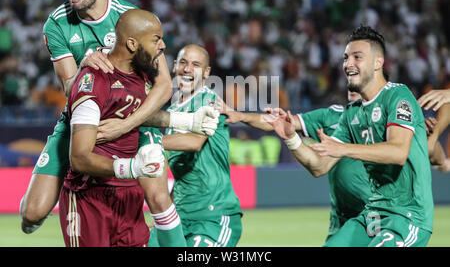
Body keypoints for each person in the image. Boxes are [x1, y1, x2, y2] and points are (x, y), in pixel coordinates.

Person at [20, 0, 179, 244]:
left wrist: (124, 125)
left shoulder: (130, 19)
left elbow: (165, 86)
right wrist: (84, 65)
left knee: (158, 198)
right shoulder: (56, 23)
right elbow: (69, 89)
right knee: (32, 214)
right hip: (82, 117)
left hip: (132, 116)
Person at [267, 26, 433, 247]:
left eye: (357, 57)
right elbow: (319, 166)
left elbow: (398, 152)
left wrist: (344, 149)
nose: (348, 64)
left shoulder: (398, 96)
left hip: (407, 217)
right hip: (372, 216)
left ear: (378, 63)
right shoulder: (352, 113)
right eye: (346, 58)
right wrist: (291, 138)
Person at [60, 9, 167, 247]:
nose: (163, 46)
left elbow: (136, 115)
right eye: (156, 39)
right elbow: (79, 158)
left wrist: (186, 122)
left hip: (129, 196)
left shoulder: (141, 77)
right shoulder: (94, 80)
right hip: (90, 195)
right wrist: (132, 166)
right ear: (131, 43)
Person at [222, 90, 371, 241]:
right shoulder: (334, 116)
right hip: (342, 220)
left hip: (376, 214)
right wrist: (241, 116)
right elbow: (279, 122)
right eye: (350, 80)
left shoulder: (387, 116)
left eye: (358, 77)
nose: (352, 87)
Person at [145, 44, 243, 247]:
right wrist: (165, 216)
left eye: (195, 65)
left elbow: (194, 141)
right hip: (180, 218)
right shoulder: (171, 111)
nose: (187, 69)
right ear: (174, 67)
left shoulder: (209, 100)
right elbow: (179, 176)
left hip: (213, 216)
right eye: (183, 62)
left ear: (207, 72)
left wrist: (150, 142)